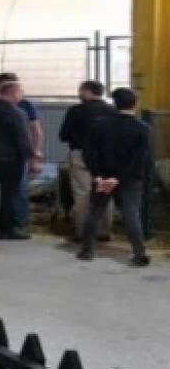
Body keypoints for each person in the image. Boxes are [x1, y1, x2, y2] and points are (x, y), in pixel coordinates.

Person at [80, 88, 151, 267]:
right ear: (135, 104)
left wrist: (97, 176)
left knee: (95, 212)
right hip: (130, 179)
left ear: (115, 103)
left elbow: (88, 153)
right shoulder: (142, 128)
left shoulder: (99, 124)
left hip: (103, 177)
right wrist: (118, 178)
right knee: (131, 214)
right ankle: (139, 253)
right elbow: (139, 159)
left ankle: (87, 250)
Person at [0, 72, 43, 234]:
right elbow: (24, 137)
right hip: (10, 159)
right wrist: (32, 156)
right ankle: (8, 228)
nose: (22, 96)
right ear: (13, 91)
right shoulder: (19, 111)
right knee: (11, 194)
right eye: (20, 92)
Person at [58, 80, 116, 242]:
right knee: (105, 191)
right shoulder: (112, 111)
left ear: (87, 92)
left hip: (80, 155)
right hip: (105, 156)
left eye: (81, 91)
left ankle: (83, 233)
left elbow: (63, 135)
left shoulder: (75, 111)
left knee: (82, 193)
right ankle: (104, 231)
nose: (79, 94)